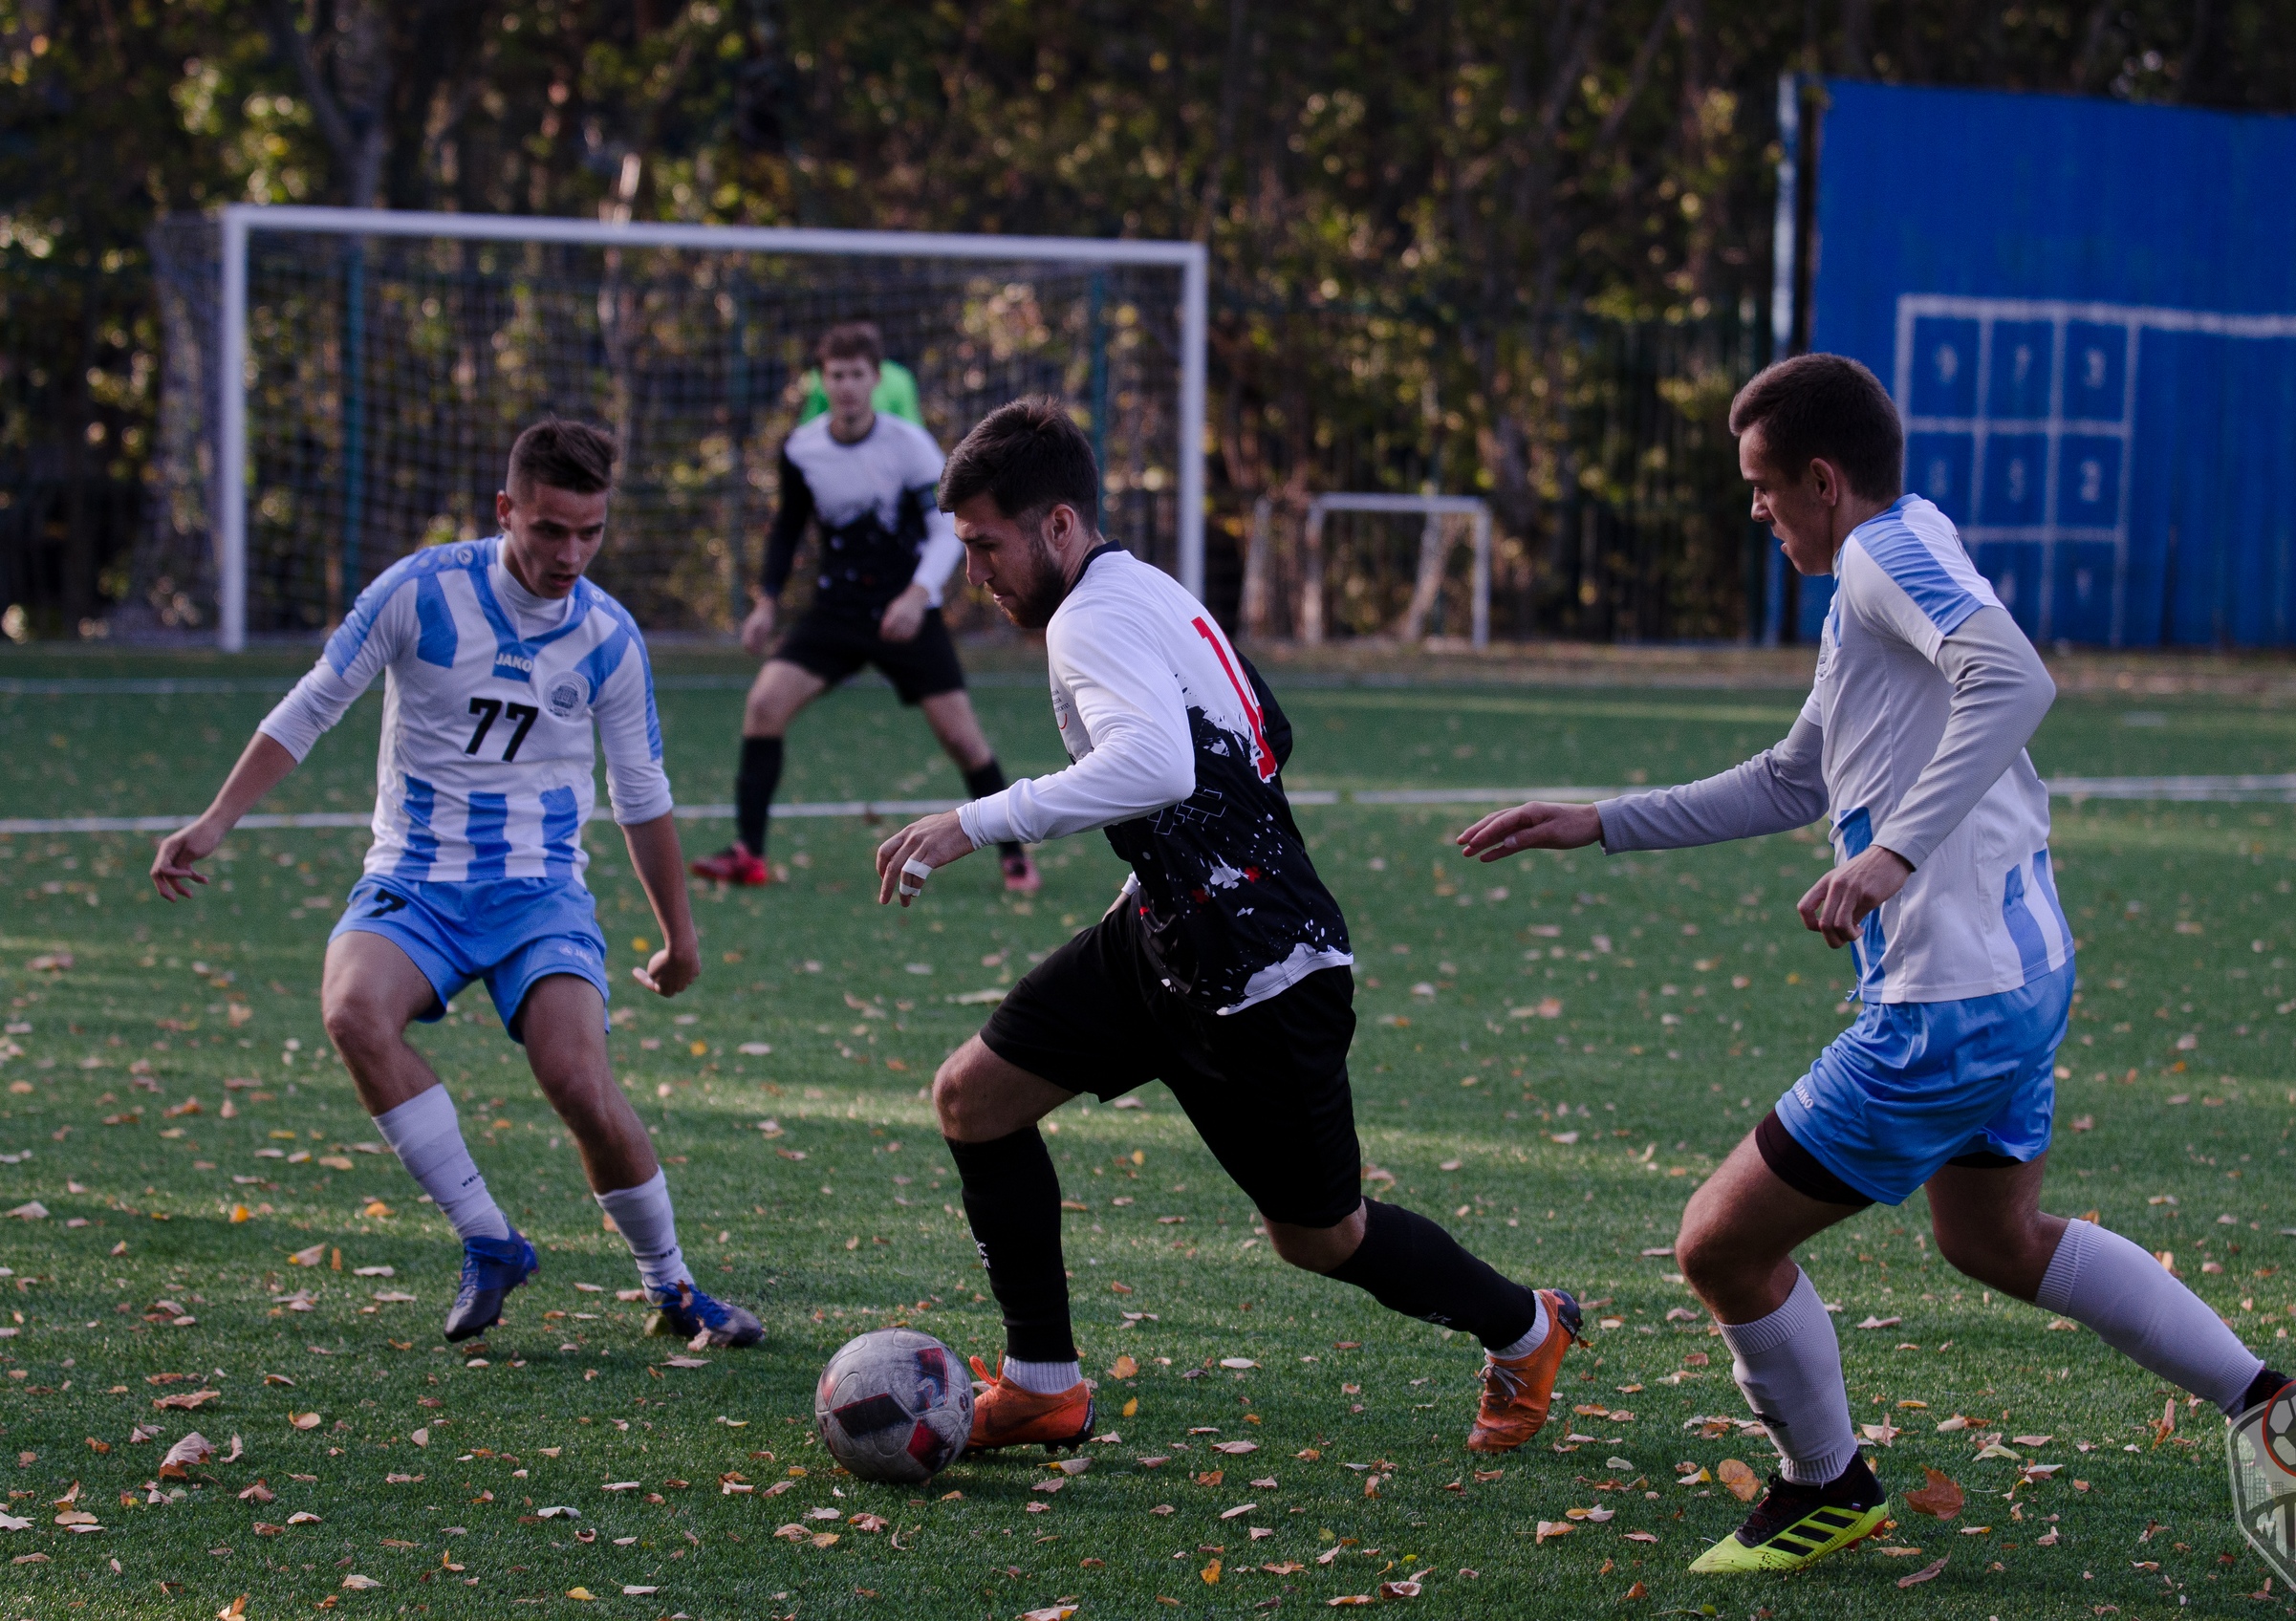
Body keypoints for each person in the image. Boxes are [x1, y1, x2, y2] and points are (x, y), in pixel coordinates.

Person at [1456, 353, 2287, 1573]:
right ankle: (2269, 1402)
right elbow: (1795, 777)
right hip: (2019, 976)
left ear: (1822, 480)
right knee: (1996, 1238)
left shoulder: (1877, 557)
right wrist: (1601, 819)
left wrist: (1892, 854)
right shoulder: (1904, 548)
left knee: (1718, 1244)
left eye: (1761, 486)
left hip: (1946, 1003)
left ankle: (1824, 1483)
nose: (1756, 509)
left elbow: (2016, 679)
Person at [874, 398, 1579, 1455]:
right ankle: (1042, 1384)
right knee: (973, 1100)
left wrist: (974, 821)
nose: (975, 573)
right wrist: (1174, 873)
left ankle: (1526, 1327)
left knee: (1321, 1237)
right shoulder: (1147, 588)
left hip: (1263, 975)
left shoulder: (1088, 617)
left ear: (1058, 524)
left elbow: (1158, 764)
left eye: (986, 545)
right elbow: (1263, 732)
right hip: (1159, 939)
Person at [150, 419, 764, 1351]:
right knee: (353, 1011)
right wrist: (214, 820)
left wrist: (680, 936)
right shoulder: (419, 591)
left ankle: (673, 1286)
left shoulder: (608, 636)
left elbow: (640, 793)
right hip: (415, 878)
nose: (570, 555)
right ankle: (489, 1239)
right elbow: (315, 703)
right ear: (505, 509)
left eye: (590, 533)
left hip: (539, 892)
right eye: (549, 529)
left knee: (578, 1081)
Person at [690, 321, 1038, 893]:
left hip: (906, 608)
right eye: (835, 375)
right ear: (821, 382)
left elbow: (944, 526)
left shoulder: (909, 445)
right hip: (839, 609)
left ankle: (1014, 856)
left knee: (962, 739)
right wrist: (767, 602)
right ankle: (748, 853)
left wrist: (917, 595)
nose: (846, 386)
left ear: (876, 379)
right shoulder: (802, 448)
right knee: (764, 705)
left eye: (856, 374)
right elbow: (788, 528)